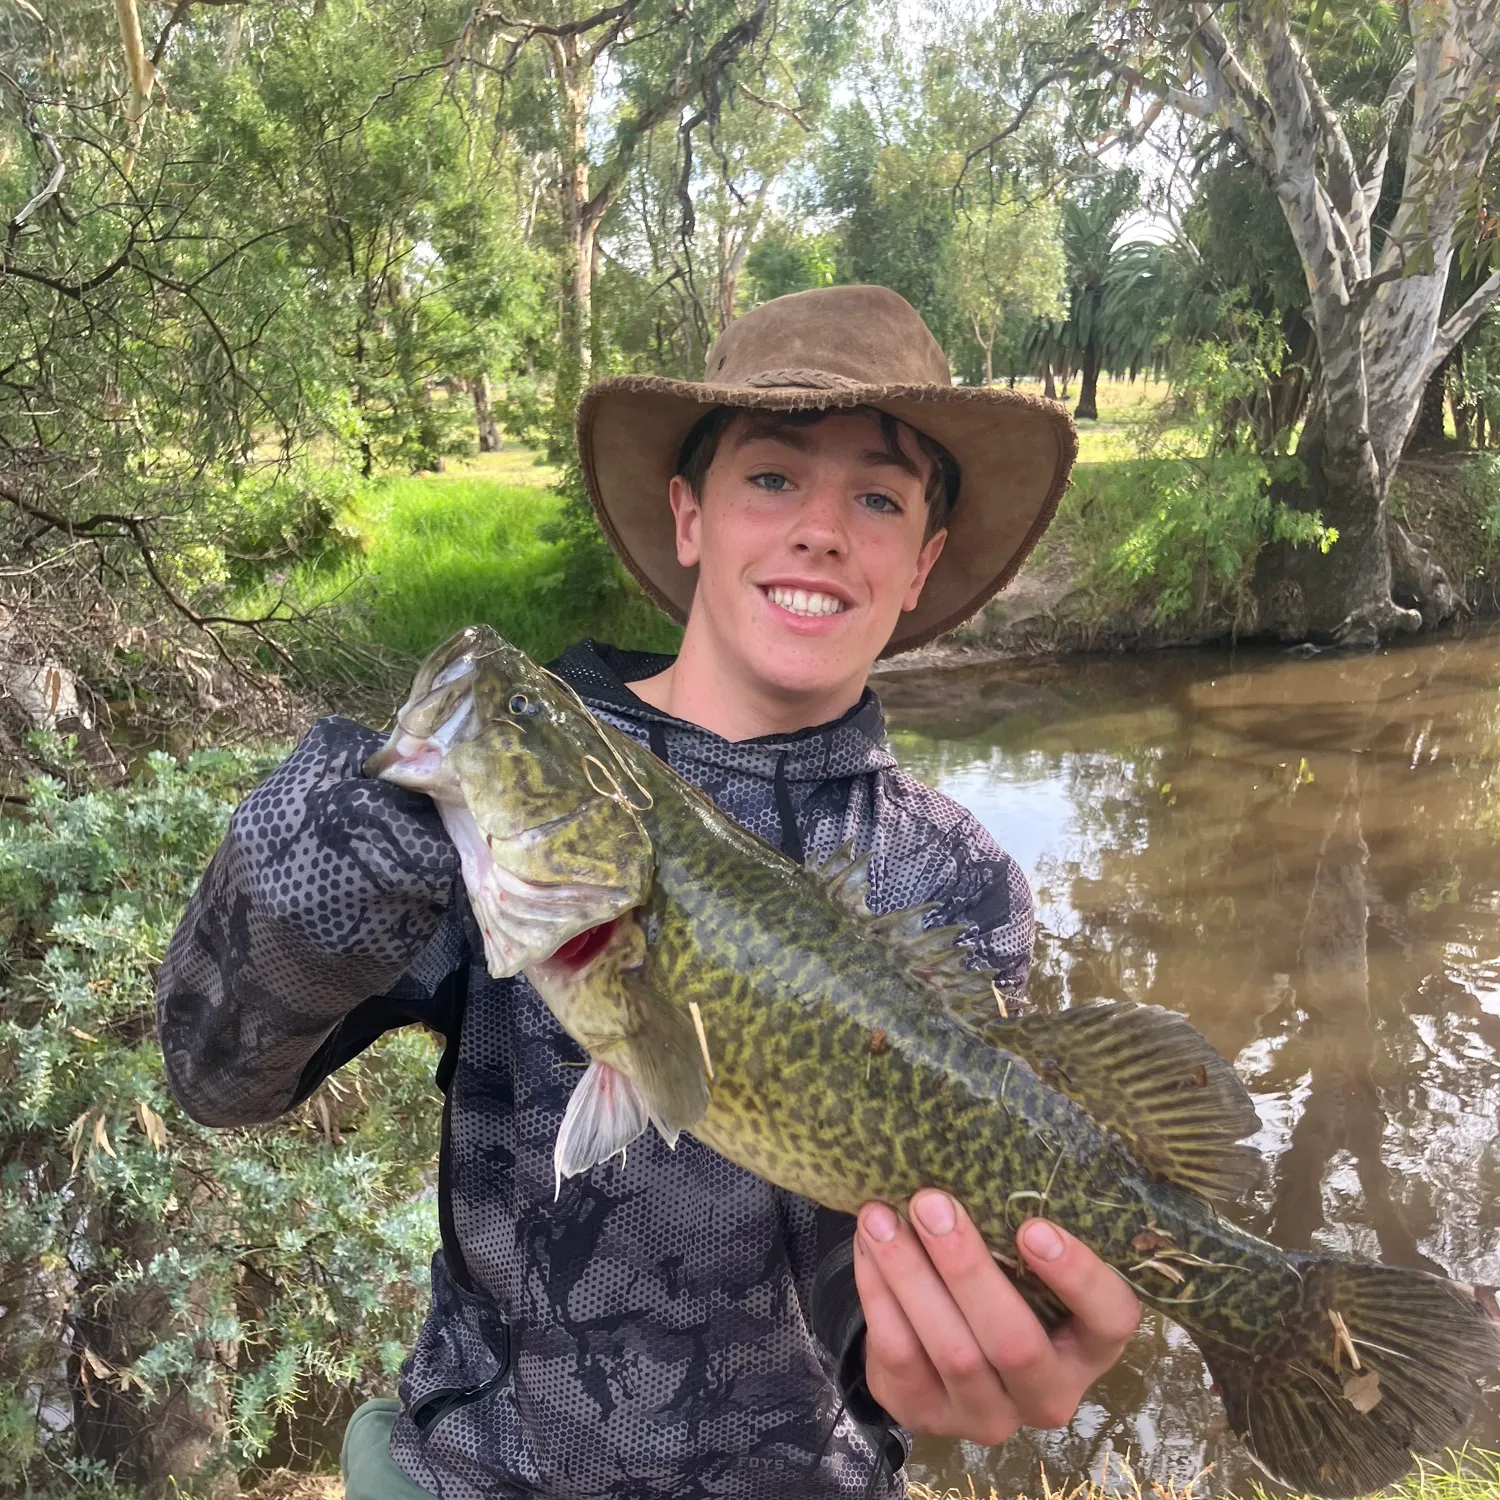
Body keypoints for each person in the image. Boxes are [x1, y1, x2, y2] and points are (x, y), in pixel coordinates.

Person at [156, 284, 1140, 1500]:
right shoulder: (518, 818)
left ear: (923, 561)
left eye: (878, 498)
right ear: (688, 515)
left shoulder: (955, 880)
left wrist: (940, 1352)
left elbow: (873, 1279)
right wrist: (335, 845)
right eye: (773, 477)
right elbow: (214, 1073)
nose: (822, 529)